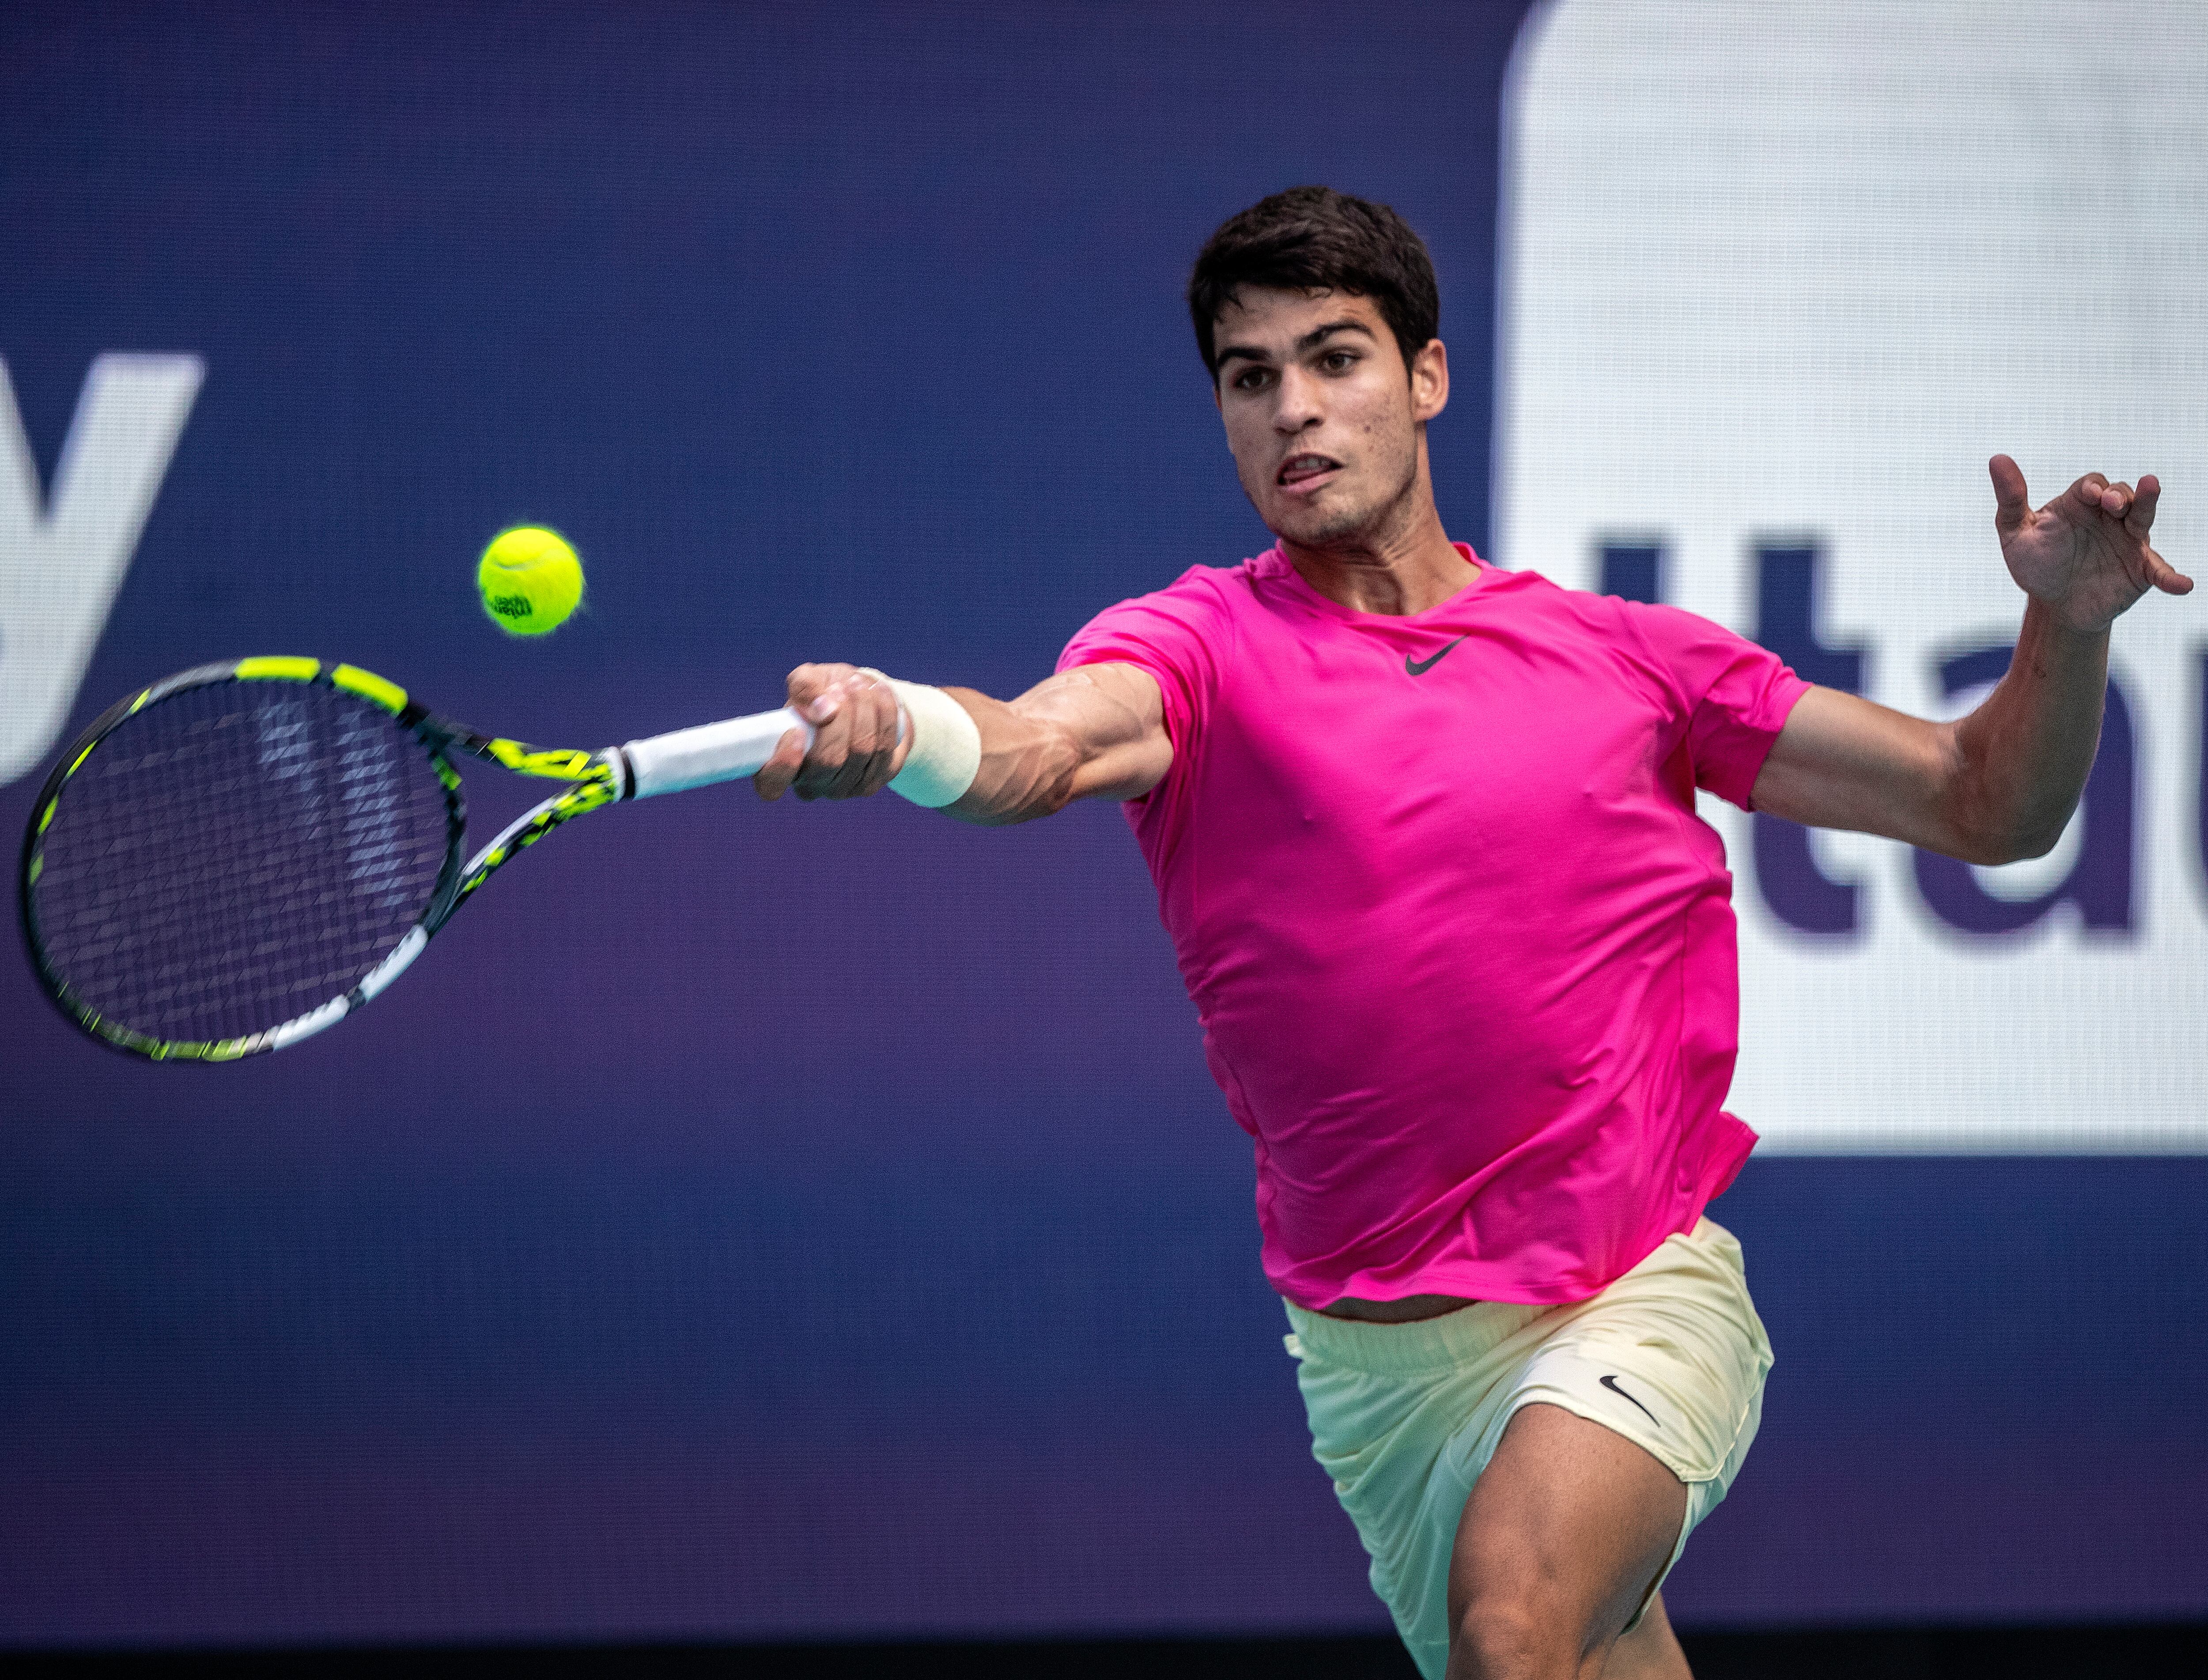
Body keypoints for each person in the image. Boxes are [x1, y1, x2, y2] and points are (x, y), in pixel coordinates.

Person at [749, 187, 2191, 1680]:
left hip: (1633, 1284)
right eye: (1252, 379)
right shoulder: (1192, 647)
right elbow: (1037, 749)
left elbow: (1984, 803)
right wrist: (906, 730)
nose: (1295, 410)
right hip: (1377, 1367)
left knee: (1518, 1628)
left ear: (1425, 377)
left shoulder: (1632, 666)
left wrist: (2067, 627)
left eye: (1336, 359)